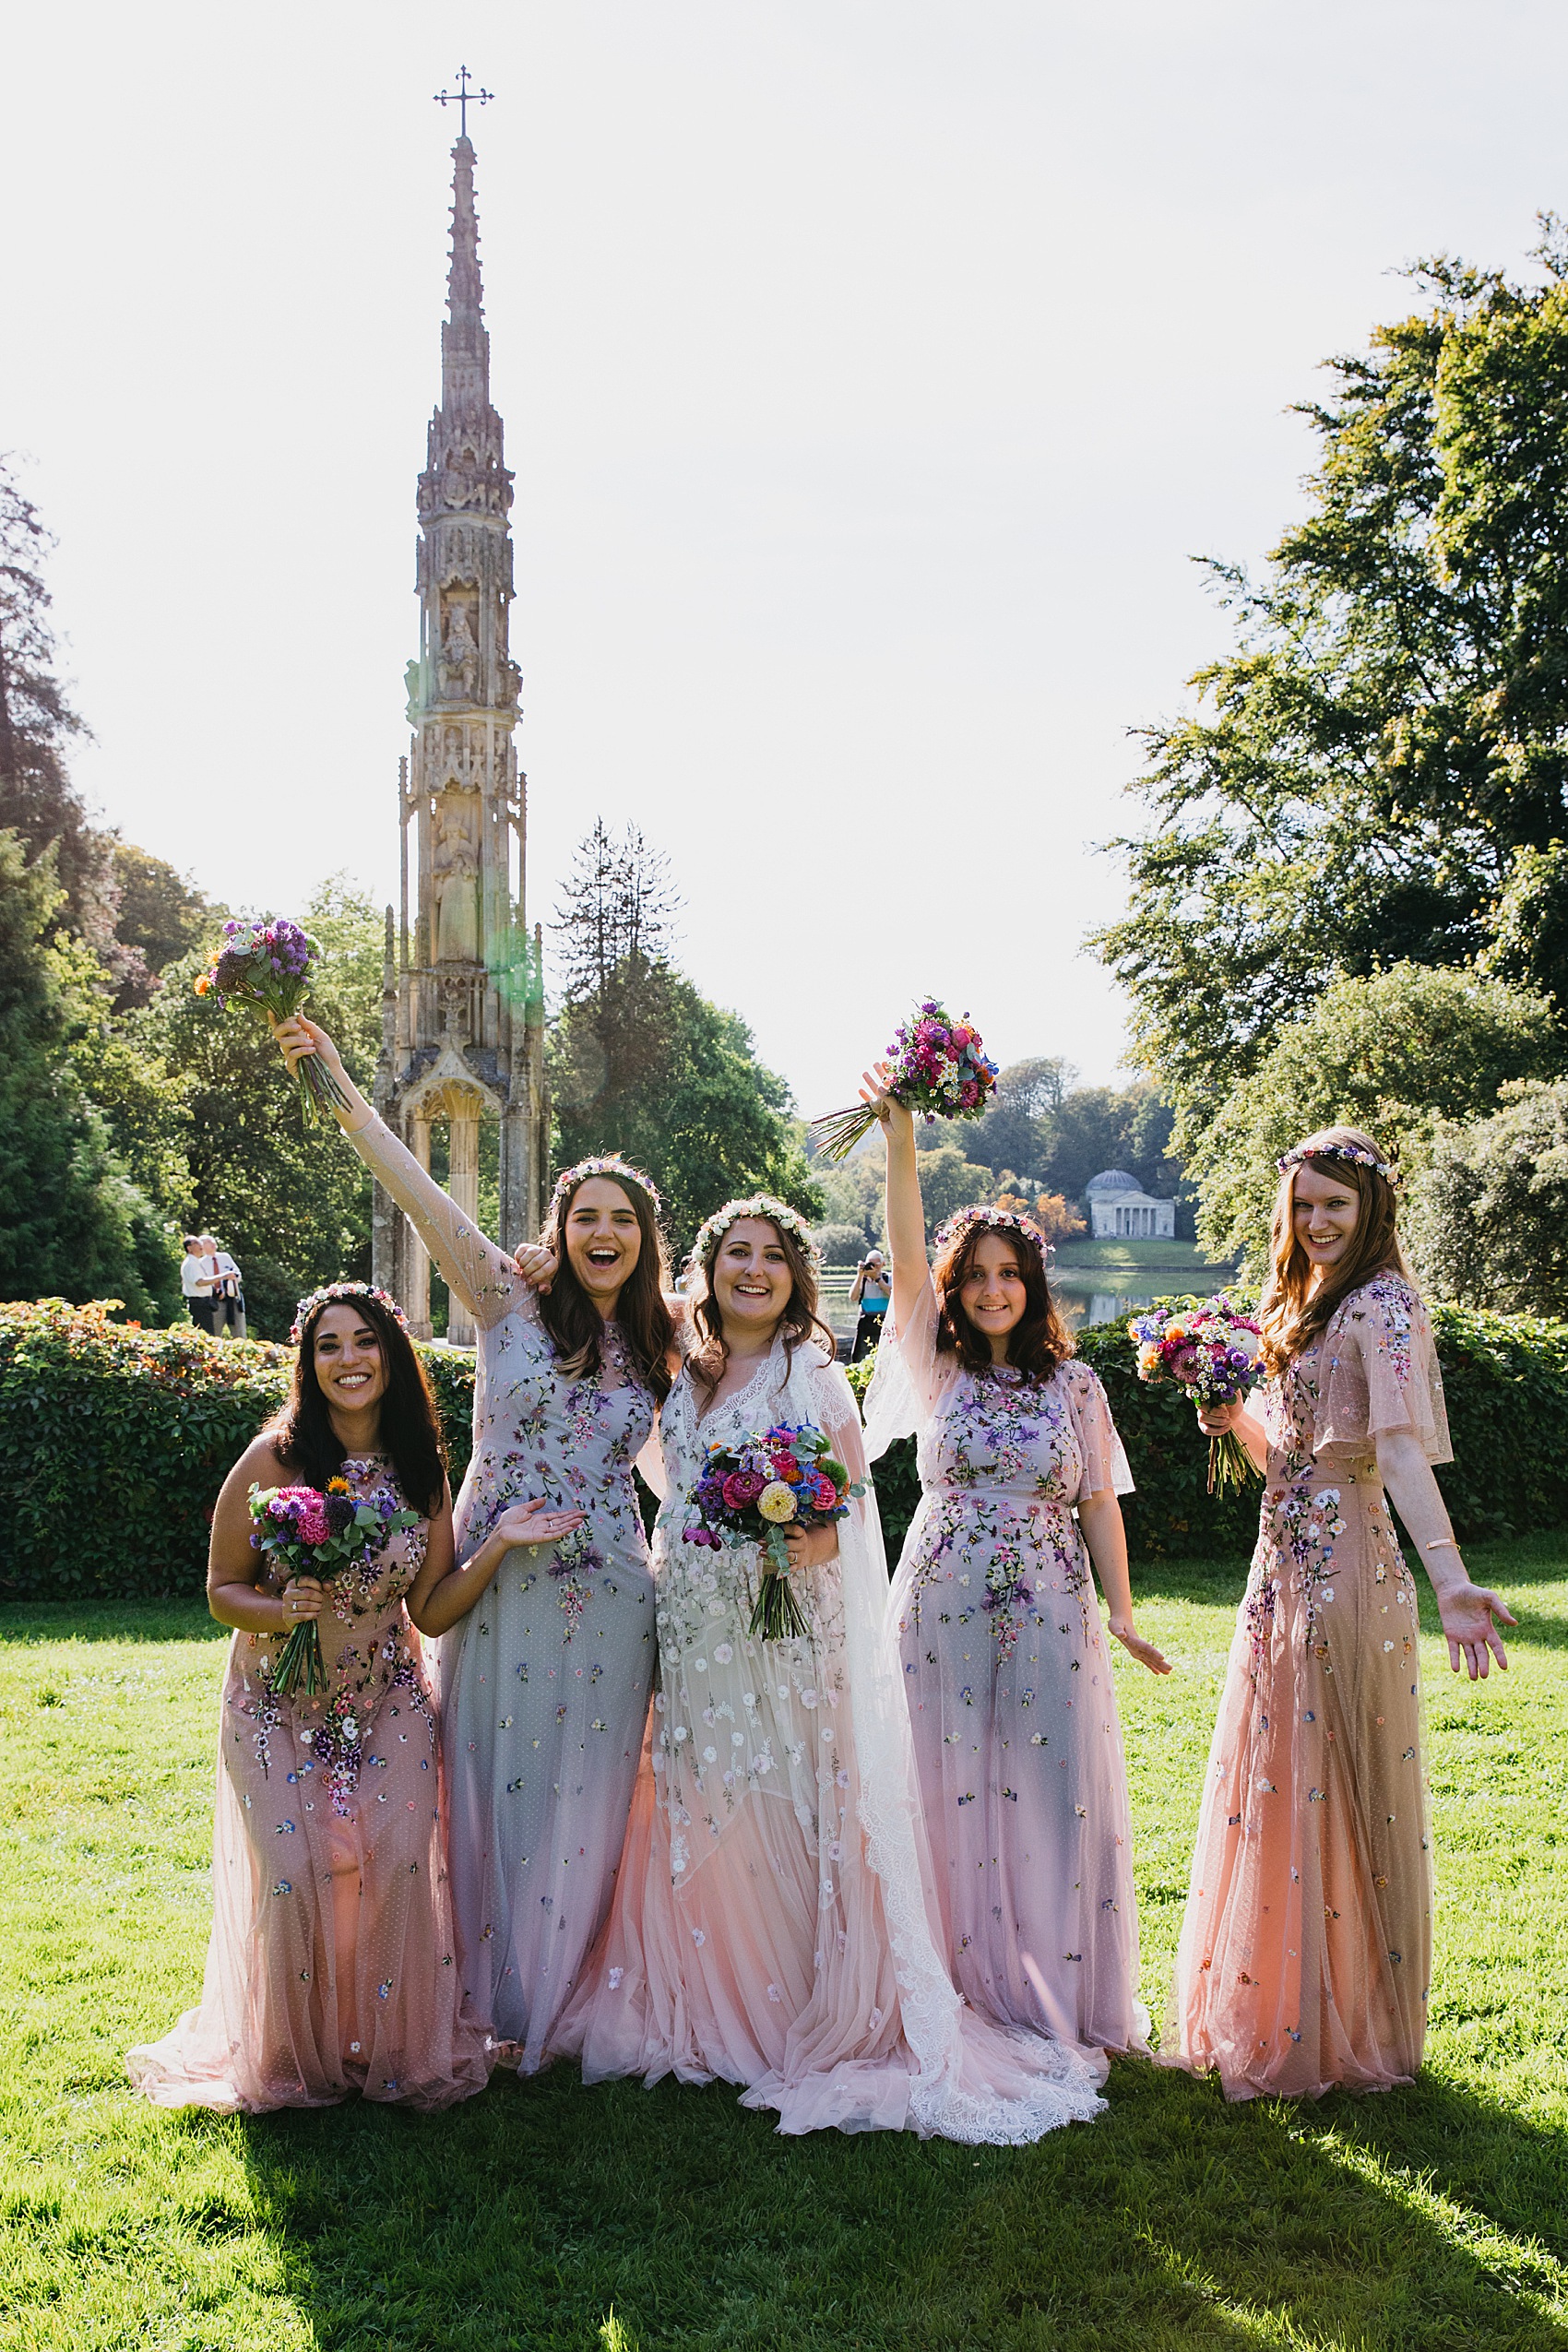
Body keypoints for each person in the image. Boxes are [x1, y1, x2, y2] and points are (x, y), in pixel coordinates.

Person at [555, 1193, 1109, 2142]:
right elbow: (664, 1473)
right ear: (708, 1267)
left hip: (778, 1630)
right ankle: (705, 1990)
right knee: (699, 1790)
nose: (754, 1270)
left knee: (778, 1793)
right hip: (691, 1621)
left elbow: (849, 1493)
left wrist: (808, 1541)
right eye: (736, 1253)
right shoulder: (679, 1369)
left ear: (795, 1275)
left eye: (772, 1255)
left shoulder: (810, 1373)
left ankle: (782, 2007)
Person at [270, 1014, 673, 2070]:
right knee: (487, 1787)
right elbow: (414, 1185)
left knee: (592, 1796)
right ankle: (489, 2000)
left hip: (617, 1593)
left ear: (642, 1239)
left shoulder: (661, 1339)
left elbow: (741, 1394)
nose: (600, 1233)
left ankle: (568, 2000)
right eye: (583, 1216)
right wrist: (335, 1080)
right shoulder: (503, 1298)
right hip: (496, 1592)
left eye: (619, 1221)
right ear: (558, 1225)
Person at [126, 1281, 568, 2112]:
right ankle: (298, 2061)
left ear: (392, 1356)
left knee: (399, 1860)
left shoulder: (422, 1471)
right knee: (294, 1873)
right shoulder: (274, 1461)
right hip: (275, 1702)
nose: (348, 1360)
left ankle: (390, 2051)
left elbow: (430, 1608)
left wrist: (499, 1545)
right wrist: (277, 1606)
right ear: (309, 1362)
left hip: (386, 1694)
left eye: (364, 1342)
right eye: (329, 1346)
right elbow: (222, 1588)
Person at [1170, 1126, 1515, 2101]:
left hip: (1347, 1566)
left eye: (1335, 1204)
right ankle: (1280, 2004)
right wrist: (1228, 1415)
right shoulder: (1297, 1305)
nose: (1316, 1221)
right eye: (1303, 1205)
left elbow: (1395, 1453)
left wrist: (1448, 1580)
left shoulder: (1383, 1305)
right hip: (1276, 1564)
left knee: (1339, 1783)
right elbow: (1284, 1453)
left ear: (1369, 1210)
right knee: (1281, 1780)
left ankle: (1350, 2023)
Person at [861, 1069, 1170, 2060]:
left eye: (1009, 1274)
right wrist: (901, 1140)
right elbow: (905, 1263)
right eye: (975, 1276)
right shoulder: (936, 1367)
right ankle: (941, 1984)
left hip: (1049, 1602)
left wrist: (1120, 1613)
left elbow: (1096, 1504)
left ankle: (1044, 1990)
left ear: (1031, 1284)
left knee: (1042, 1788)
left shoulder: (1075, 1384)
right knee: (940, 1780)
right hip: (941, 1596)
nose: (992, 1289)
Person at [849, 1248, 891, 1362]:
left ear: (883, 1264)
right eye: (870, 1264)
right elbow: (853, 1297)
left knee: (885, 1358)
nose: (873, 1268)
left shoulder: (889, 1278)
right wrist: (860, 1275)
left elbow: (893, 1294)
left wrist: (878, 1279)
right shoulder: (863, 1280)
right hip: (865, 1322)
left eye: (876, 1265)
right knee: (859, 1358)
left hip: (885, 1322)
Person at [204, 1235, 246, 1341]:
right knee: (214, 1335)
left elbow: (238, 1274)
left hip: (232, 1300)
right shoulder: (201, 1263)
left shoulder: (225, 1257)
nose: (213, 1242)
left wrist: (233, 1277)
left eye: (213, 1240)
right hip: (215, 1301)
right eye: (209, 1241)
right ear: (202, 1246)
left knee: (240, 1334)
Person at [181, 1236, 218, 1336]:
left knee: (206, 1334)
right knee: (205, 1336)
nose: (201, 1246)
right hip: (199, 1304)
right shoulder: (191, 1263)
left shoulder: (195, 1262)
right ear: (189, 1248)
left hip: (203, 1303)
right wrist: (222, 1277)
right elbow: (199, 1282)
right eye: (196, 1243)